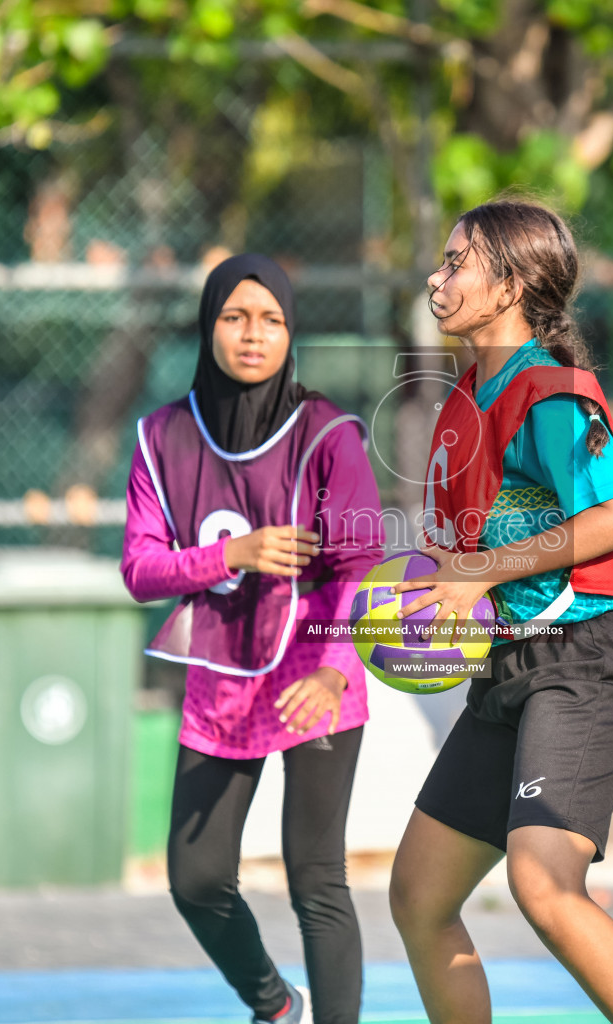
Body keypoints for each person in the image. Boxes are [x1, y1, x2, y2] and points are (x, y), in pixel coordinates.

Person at [388, 199, 613, 1024]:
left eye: (455, 263)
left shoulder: (548, 392)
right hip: (509, 670)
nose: (437, 280)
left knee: (542, 883)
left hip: (585, 665)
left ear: (510, 284)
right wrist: (401, 598)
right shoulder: (458, 405)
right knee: (418, 895)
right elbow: (458, 562)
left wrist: (480, 570)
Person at [121, 253, 384, 1024]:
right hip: (223, 674)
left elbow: (359, 565)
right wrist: (229, 554)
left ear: (290, 331)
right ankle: (275, 1005)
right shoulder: (163, 434)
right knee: (196, 878)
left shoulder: (328, 431)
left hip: (315, 669)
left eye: (270, 319)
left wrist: (335, 669)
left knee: (317, 879)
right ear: (209, 328)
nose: (252, 334)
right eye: (234, 317)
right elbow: (140, 570)